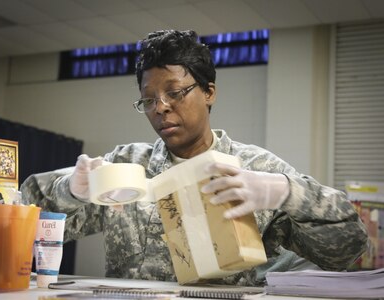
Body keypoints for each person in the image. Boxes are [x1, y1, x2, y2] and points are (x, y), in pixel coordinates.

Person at [21, 29, 368, 286]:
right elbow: (25, 215)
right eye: (149, 100)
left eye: (174, 93)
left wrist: (286, 192)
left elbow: (347, 249)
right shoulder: (127, 165)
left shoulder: (256, 170)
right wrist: (71, 190)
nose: (161, 108)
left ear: (209, 92)